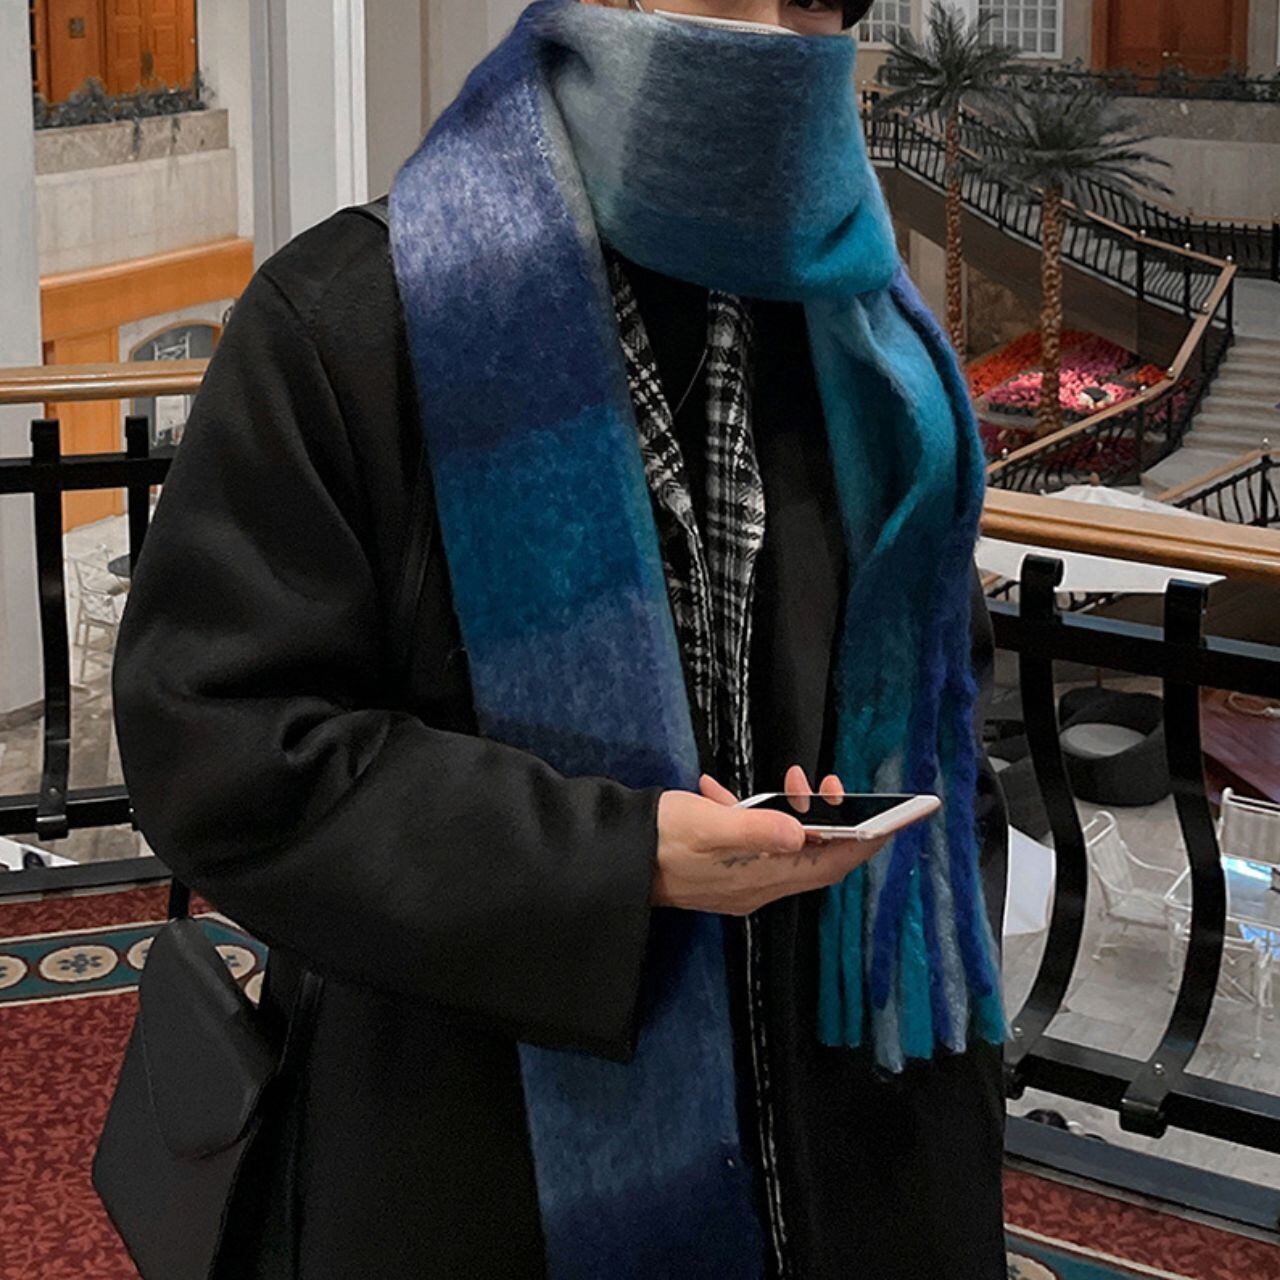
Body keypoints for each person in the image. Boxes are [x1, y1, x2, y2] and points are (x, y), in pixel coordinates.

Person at [111, 1, 1011, 1276]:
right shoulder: (352, 321)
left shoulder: (873, 355)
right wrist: (612, 859)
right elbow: (223, 746)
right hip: (475, 1160)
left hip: (849, 1156)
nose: (774, 33)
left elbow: (948, 720)